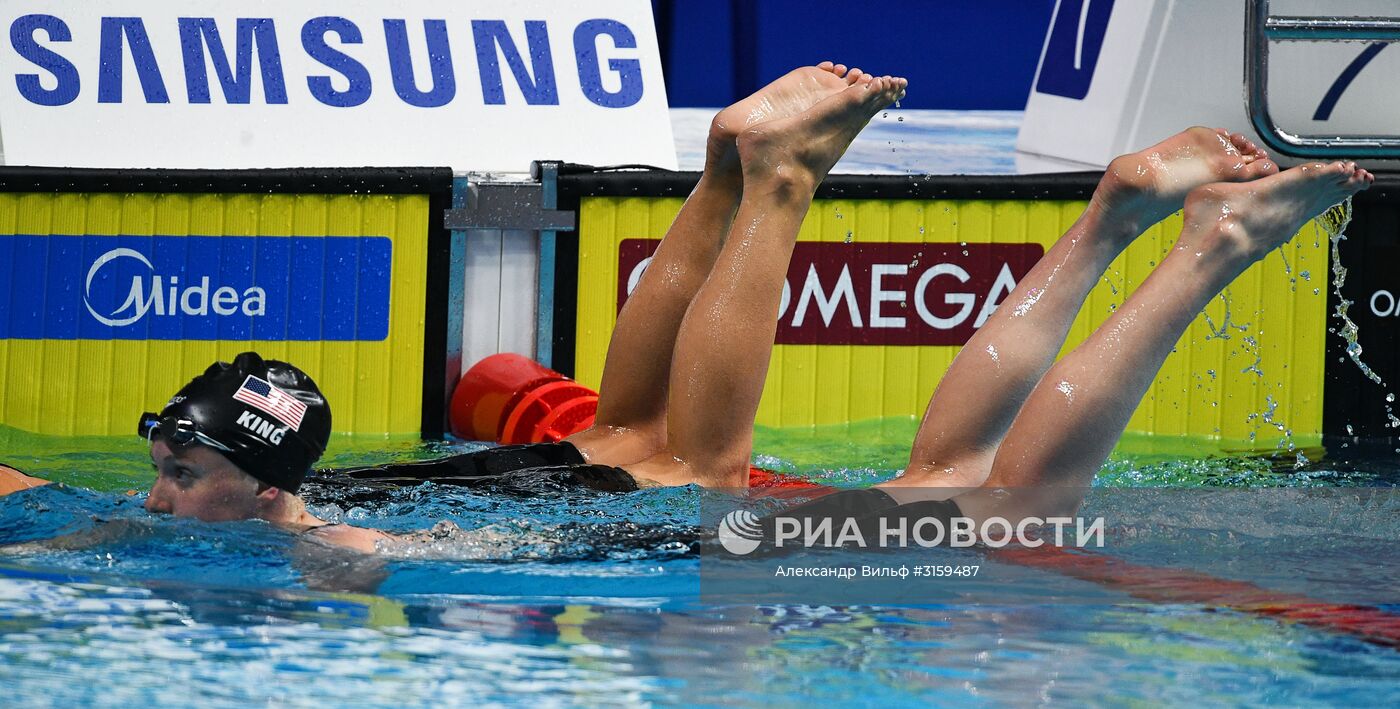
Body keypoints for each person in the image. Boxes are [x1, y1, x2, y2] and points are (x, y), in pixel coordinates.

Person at [0, 63, 1374, 550]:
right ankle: (742, 168)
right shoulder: (271, 507)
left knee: (1002, 506)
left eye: (183, 471)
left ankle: (1190, 249)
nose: (163, 493)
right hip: (543, 485)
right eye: (169, 470)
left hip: (616, 522)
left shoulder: (310, 533)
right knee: (652, 424)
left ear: (254, 477)